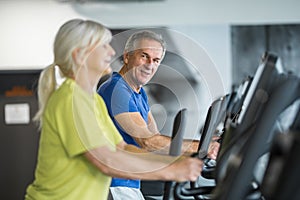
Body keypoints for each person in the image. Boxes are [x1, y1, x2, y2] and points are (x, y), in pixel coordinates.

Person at [25, 19, 204, 200]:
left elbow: (123, 148)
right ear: (79, 55)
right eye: (103, 46)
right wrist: (172, 169)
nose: (111, 52)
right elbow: (105, 160)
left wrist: (179, 161)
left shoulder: (92, 99)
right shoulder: (72, 98)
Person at [98, 30, 220, 199]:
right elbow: (148, 142)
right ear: (127, 57)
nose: (150, 65)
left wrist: (198, 152)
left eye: (156, 60)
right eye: (144, 56)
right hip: (113, 185)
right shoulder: (117, 90)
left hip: (129, 183)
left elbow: (156, 141)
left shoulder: (139, 93)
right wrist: (203, 147)